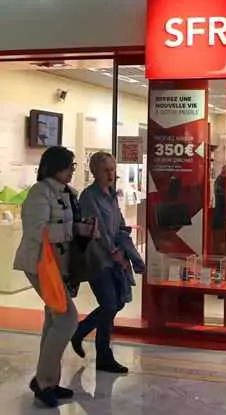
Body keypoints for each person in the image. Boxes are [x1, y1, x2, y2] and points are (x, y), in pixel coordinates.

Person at [13, 146, 84, 408]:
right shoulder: (39, 193)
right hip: (41, 264)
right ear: (53, 167)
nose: (71, 171)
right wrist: (73, 230)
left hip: (58, 266)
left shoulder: (69, 193)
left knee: (55, 318)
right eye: (67, 166)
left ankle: (48, 381)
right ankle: (43, 381)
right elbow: (37, 230)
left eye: (72, 166)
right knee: (67, 318)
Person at [71, 152, 145, 374]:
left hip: (114, 257)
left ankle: (80, 331)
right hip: (97, 259)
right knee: (110, 304)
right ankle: (103, 355)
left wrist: (125, 249)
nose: (110, 174)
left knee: (118, 302)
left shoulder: (111, 194)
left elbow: (118, 223)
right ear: (95, 172)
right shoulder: (89, 197)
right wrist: (114, 252)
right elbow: (98, 230)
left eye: (112, 169)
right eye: (106, 170)